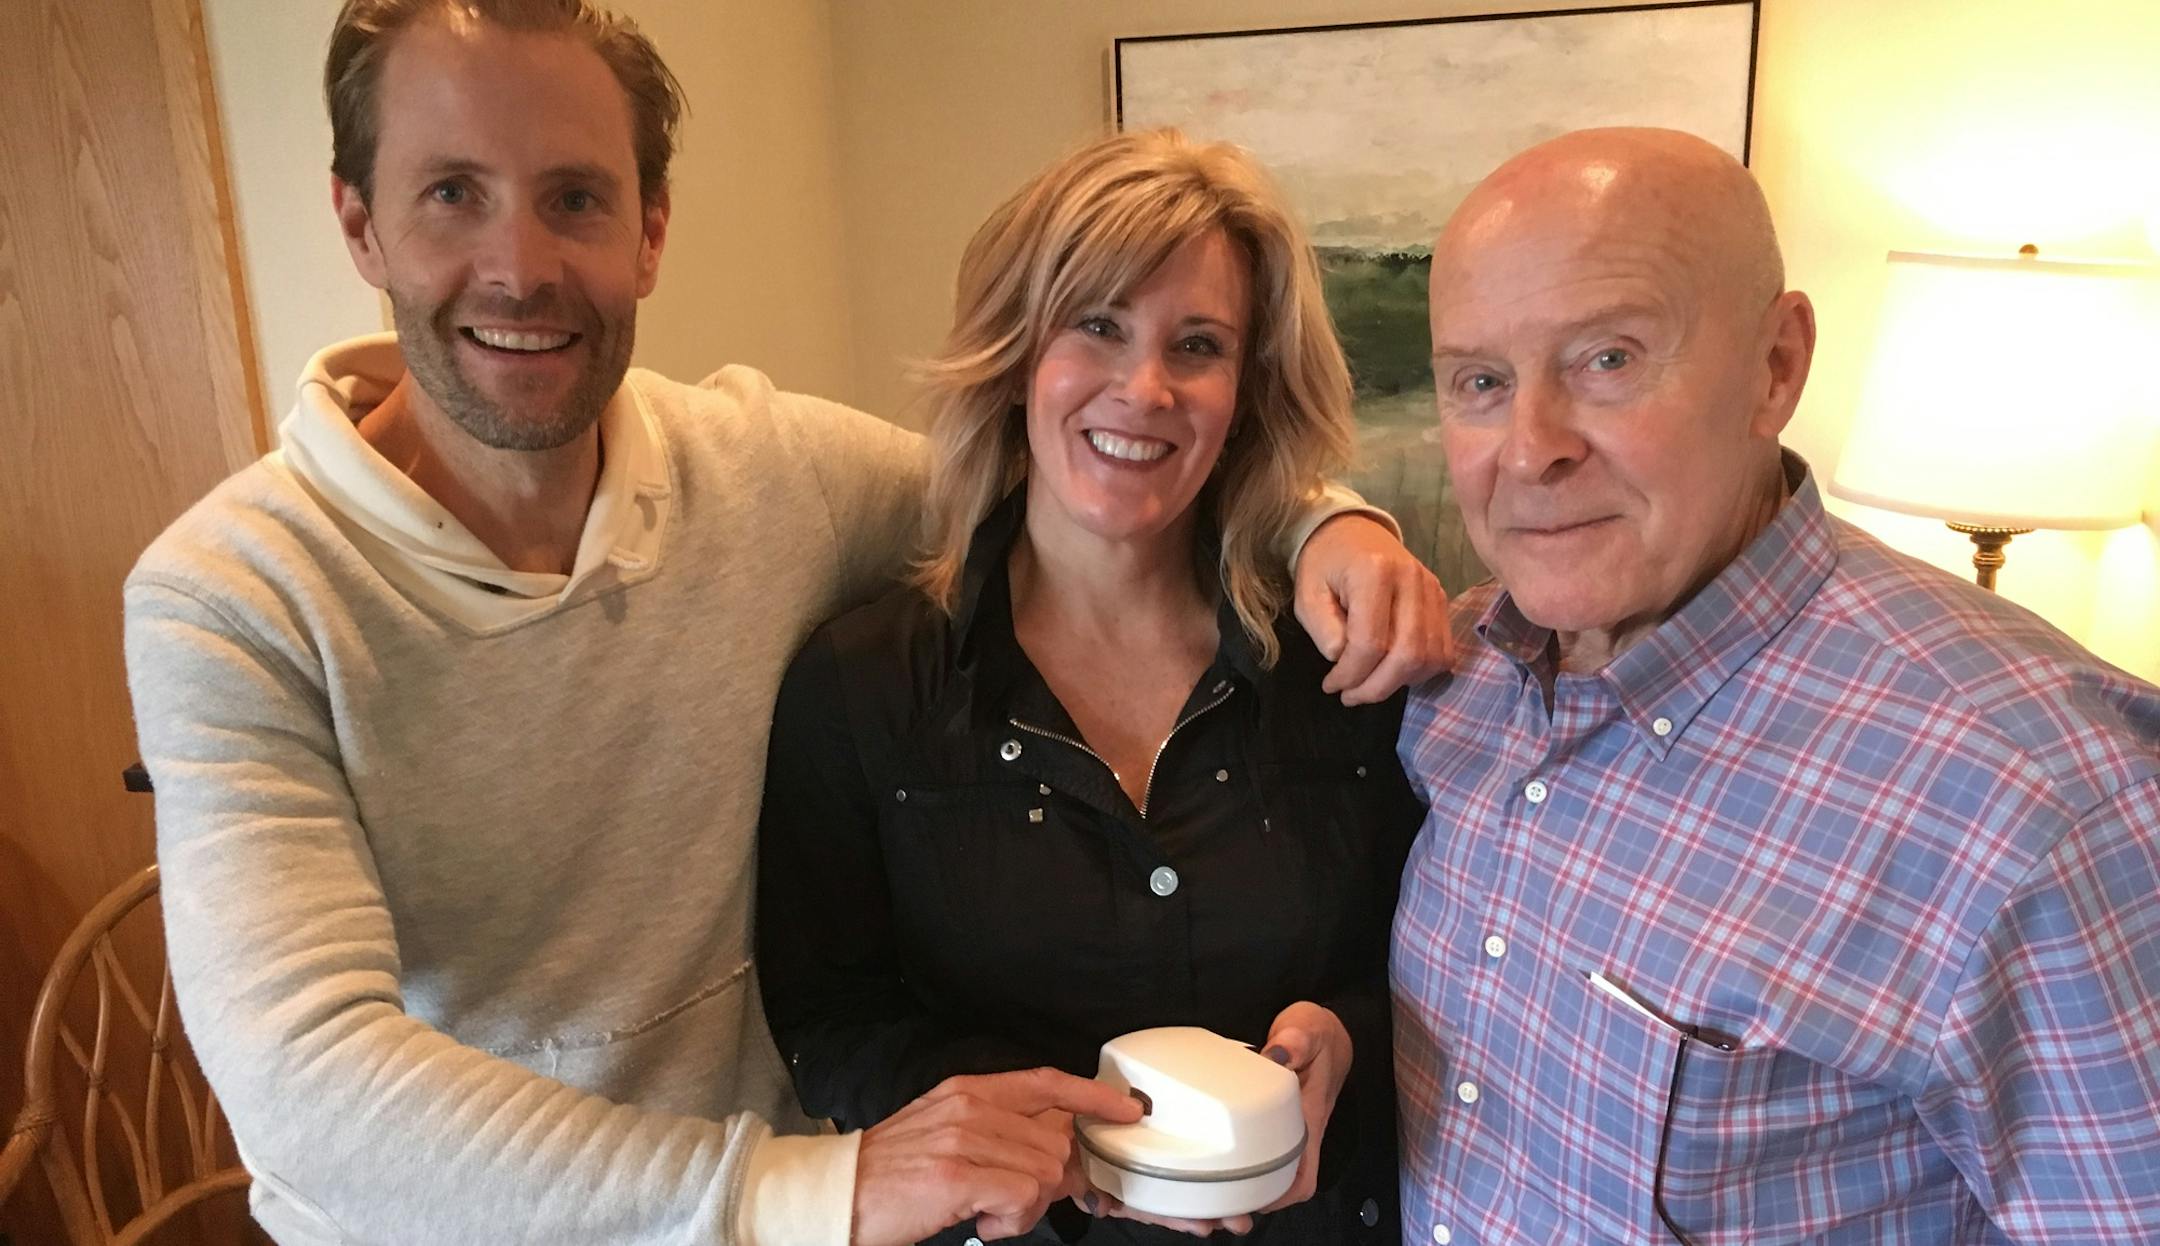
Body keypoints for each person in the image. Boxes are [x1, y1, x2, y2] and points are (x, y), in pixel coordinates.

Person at [121, 2, 1451, 1244]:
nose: (519, 266)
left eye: (575, 197)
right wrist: (817, 1184)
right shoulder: (232, 596)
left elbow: (1088, 477)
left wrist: (1332, 524)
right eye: (450, 193)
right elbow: (306, 1079)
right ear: (358, 222)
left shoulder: (769, 477)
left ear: (649, 227)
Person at [1393, 125, 2160, 1245]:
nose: (1531, 447)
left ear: (1776, 366)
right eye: (1481, 382)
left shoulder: (2039, 797)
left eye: (1608, 358)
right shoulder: (1454, 684)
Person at [756, 130, 1421, 1246]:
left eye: (1197, 344)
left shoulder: (1344, 668)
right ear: (1019, 354)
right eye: (1098, 325)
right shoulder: (866, 688)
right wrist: (1019, 1128)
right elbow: (831, 1017)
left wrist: (1351, 1041)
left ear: (1246, 389)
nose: (1145, 387)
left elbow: (1433, 964)